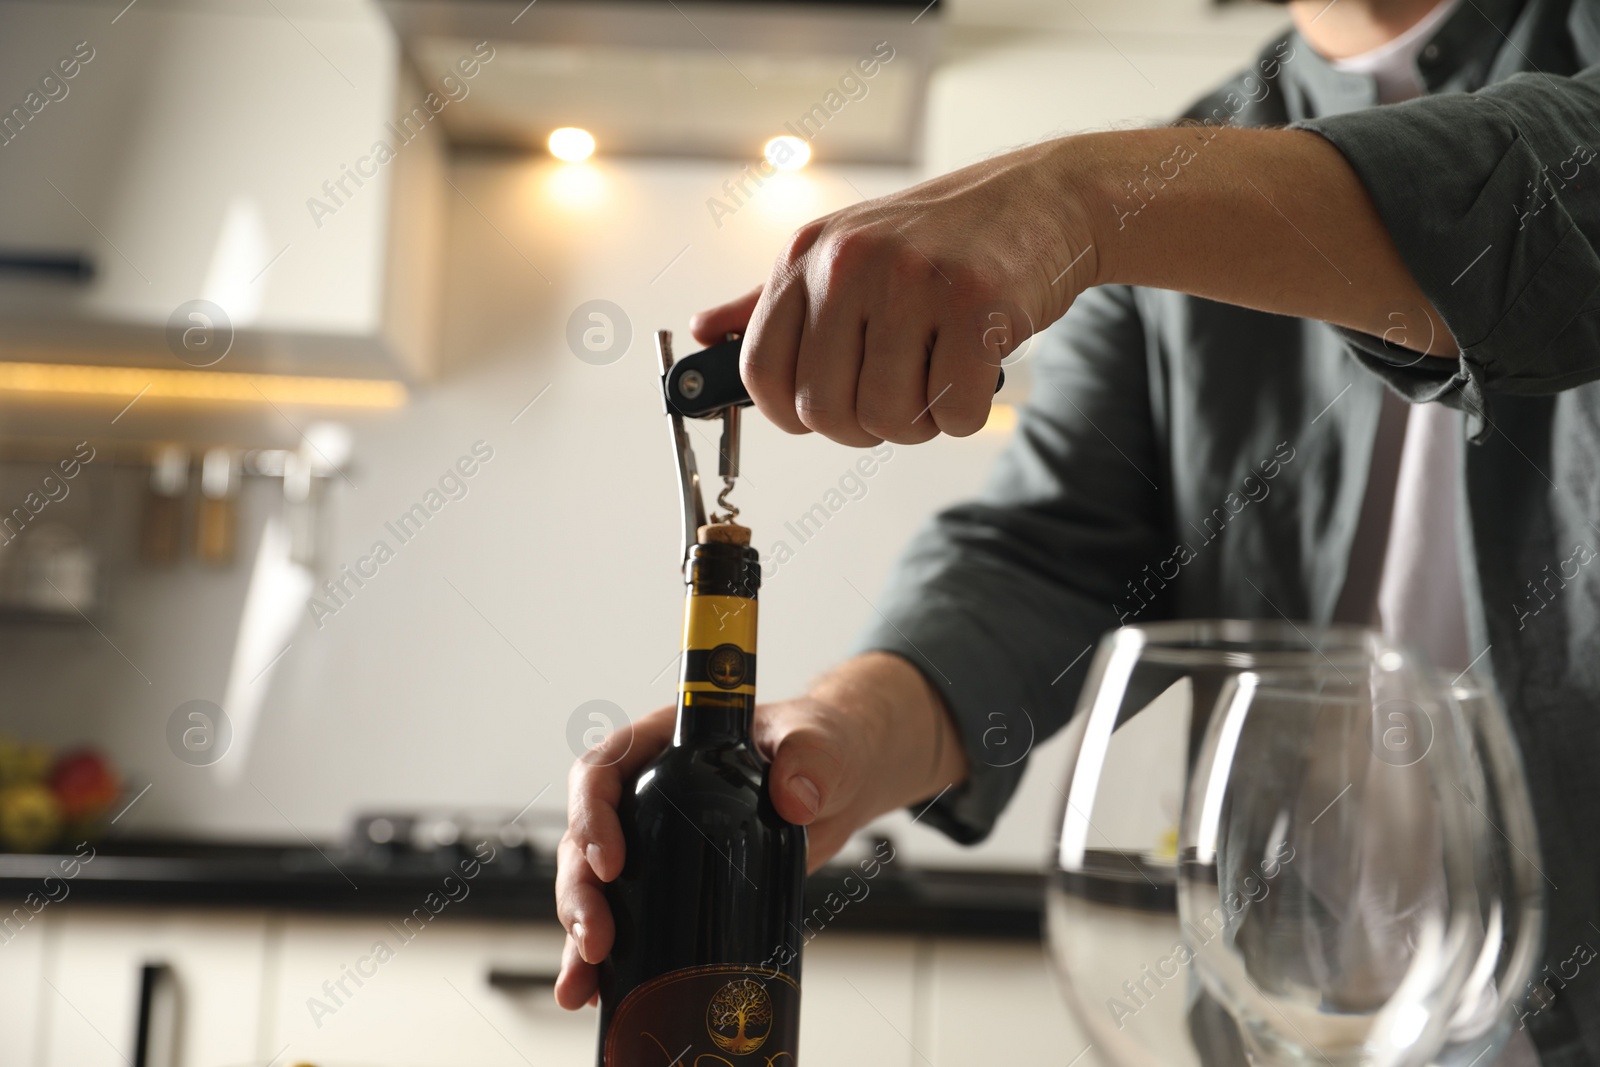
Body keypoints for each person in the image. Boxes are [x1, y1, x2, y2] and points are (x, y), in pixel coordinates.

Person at [558, 0, 1600, 1061]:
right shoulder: (1195, 150)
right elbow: (1043, 552)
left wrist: (1082, 200)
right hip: (1276, 1015)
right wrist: (836, 733)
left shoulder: (1151, 189)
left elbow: (1558, 194)